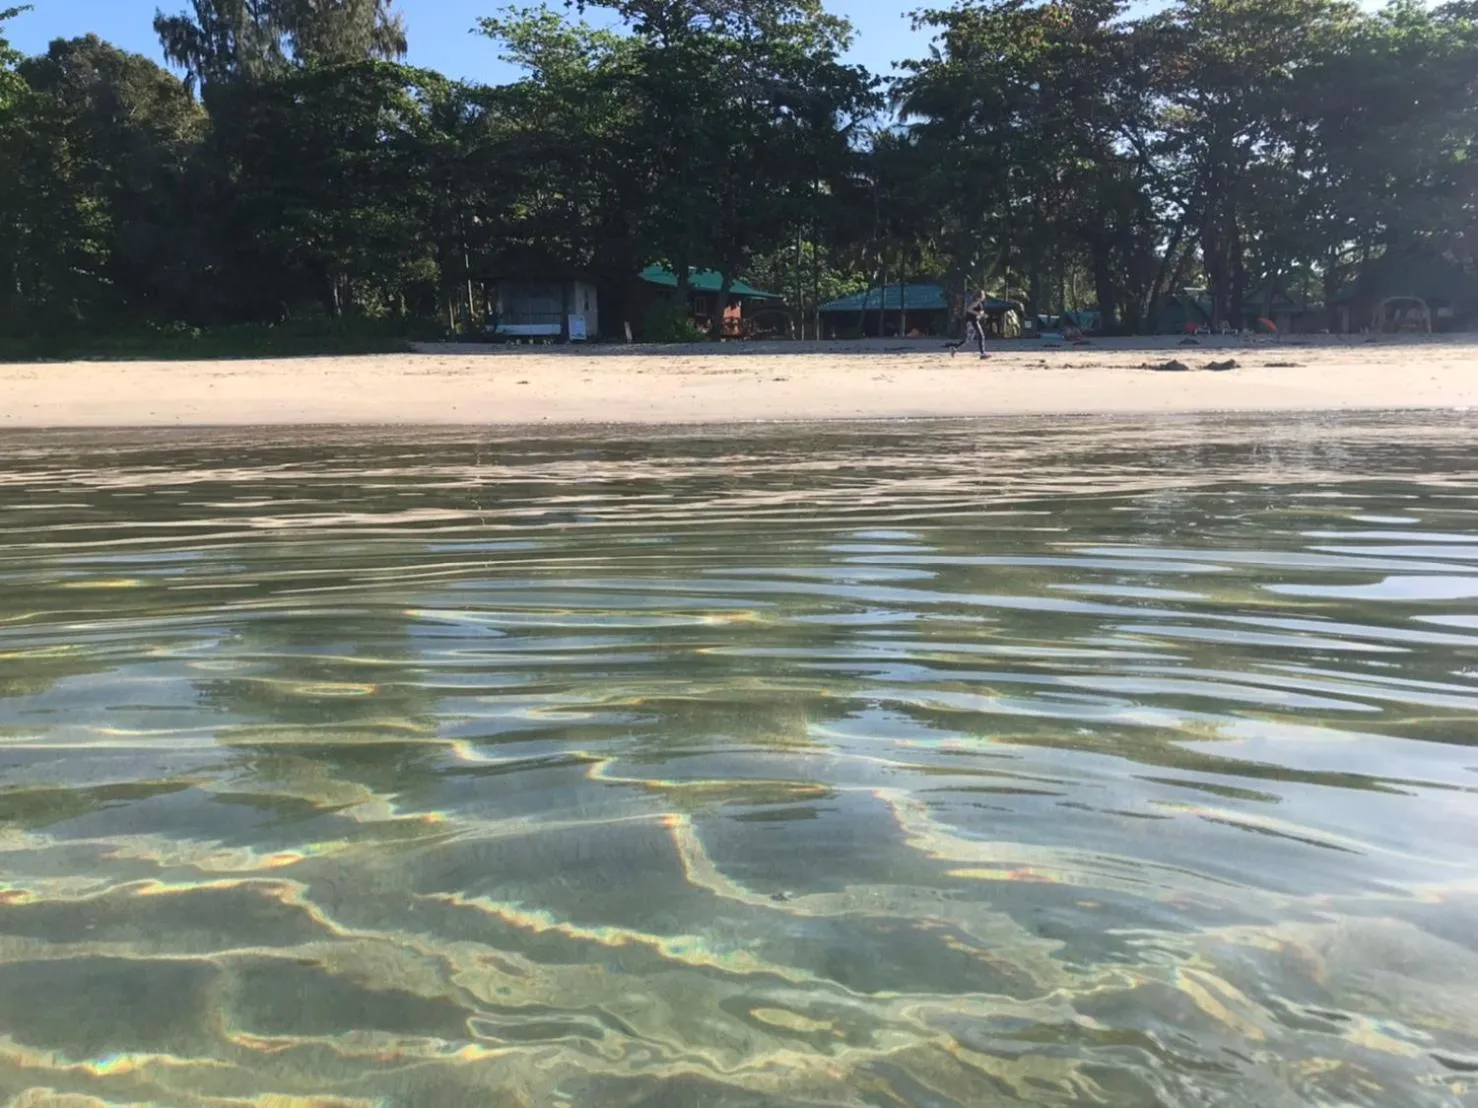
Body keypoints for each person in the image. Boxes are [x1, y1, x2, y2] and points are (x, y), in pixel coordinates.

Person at [948, 290, 991, 359]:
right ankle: (982, 354)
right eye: (983, 295)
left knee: (969, 339)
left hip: (974, 321)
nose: (984, 296)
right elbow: (969, 309)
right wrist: (979, 314)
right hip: (972, 322)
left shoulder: (979, 303)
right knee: (981, 336)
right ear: (980, 296)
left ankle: (954, 348)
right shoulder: (976, 302)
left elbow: (977, 312)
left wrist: (982, 315)